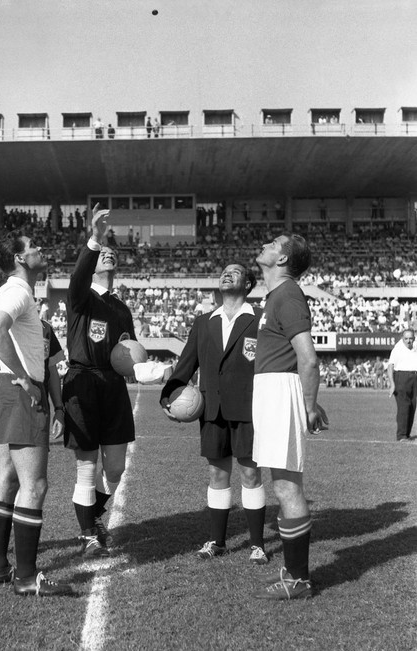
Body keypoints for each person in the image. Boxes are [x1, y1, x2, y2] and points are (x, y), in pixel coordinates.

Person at [0, 231, 72, 596]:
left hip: (5, 390)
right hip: (19, 390)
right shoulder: (17, 290)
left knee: (6, 478)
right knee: (34, 484)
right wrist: (25, 377)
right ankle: (26, 576)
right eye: (32, 246)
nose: (40, 248)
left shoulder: (13, 290)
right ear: (20, 258)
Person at [160, 263, 268, 565]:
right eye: (224, 270)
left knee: (250, 472)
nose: (227, 273)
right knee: (217, 473)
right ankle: (217, 541)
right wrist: (168, 395)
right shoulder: (203, 322)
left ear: (248, 284)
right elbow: (186, 364)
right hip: (213, 410)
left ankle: (257, 544)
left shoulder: (260, 320)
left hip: (249, 409)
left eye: (235, 271)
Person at [252, 232, 328, 600]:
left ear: (282, 259)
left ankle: (298, 579)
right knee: (281, 483)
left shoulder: (289, 294)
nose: (266, 245)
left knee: (286, 486)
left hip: (280, 394)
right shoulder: (275, 296)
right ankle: (294, 574)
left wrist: (308, 406)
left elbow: (308, 357)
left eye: (273, 243)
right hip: (273, 392)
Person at [0, 275, 66, 564]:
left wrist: (58, 407)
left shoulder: (44, 328)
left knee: (9, 479)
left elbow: (52, 368)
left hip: (16, 397)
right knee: (12, 481)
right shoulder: (2, 313)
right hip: (10, 399)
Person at [62, 204, 136, 558]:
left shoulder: (121, 308)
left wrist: (149, 370)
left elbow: (130, 353)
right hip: (84, 383)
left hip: (114, 387)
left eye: (110, 251)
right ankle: (89, 534)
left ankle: (94, 514)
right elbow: (78, 274)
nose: (107, 253)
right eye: (101, 251)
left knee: (117, 468)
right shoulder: (80, 296)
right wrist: (93, 237)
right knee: (87, 465)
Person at [387, 329, 417, 441]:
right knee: (404, 407)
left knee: (413, 406)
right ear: (402, 338)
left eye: (411, 338)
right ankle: (401, 435)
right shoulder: (397, 349)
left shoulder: (415, 346)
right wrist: (392, 384)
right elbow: (390, 367)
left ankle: (407, 434)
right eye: (406, 339)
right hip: (402, 377)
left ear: (414, 338)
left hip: (415, 377)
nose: (409, 341)